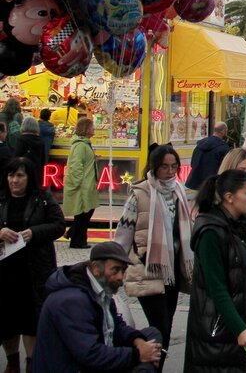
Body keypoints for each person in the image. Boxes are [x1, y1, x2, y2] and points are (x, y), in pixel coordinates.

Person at [185, 170, 246, 373]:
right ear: (229, 197)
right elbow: (217, 288)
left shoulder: (245, 225)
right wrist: (239, 328)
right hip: (223, 325)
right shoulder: (211, 232)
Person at [114, 145, 193, 371]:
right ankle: (146, 367)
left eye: (174, 166)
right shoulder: (140, 194)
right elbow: (124, 233)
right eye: (164, 167)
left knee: (165, 328)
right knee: (160, 326)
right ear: (154, 167)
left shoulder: (179, 192)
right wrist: (118, 266)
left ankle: (152, 368)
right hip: (147, 269)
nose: (170, 171)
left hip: (172, 271)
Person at [33, 241, 162, 372]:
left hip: (95, 354)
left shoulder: (100, 287)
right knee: (146, 360)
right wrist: (137, 355)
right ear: (95, 268)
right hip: (76, 366)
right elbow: (90, 354)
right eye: (115, 269)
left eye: (123, 270)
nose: (120, 277)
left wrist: (138, 341)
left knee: (151, 334)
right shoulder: (72, 300)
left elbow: (116, 326)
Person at [0, 158, 65, 373]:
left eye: (20, 175)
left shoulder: (43, 198)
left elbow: (59, 225)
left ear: (29, 178)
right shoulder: (2, 198)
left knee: (31, 319)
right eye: (11, 175)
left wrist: (35, 233)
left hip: (34, 270)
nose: (14, 180)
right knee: (7, 320)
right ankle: (12, 362)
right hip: (6, 271)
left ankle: (32, 363)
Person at [64, 117, 99, 248]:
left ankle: (74, 234)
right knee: (84, 213)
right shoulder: (80, 145)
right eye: (91, 126)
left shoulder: (84, 144)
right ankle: (78, 240)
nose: (94, 128)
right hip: (84, 185)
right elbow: (76, 165)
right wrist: (78, 183)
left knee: (85, 212)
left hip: (87, 184)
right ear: (86, 129)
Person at [185, 122, 230, 191]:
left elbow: (193, 163)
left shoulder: (200, 145)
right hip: (212, 184)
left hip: (196, 183)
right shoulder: (224, 148)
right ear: (223, 131)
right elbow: (225, 168)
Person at [12, 117, 45, 187]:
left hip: (23, 171)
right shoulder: (41, 140)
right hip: (37, 172)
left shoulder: (21, 139)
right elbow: (43, 159)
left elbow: (16, 157)